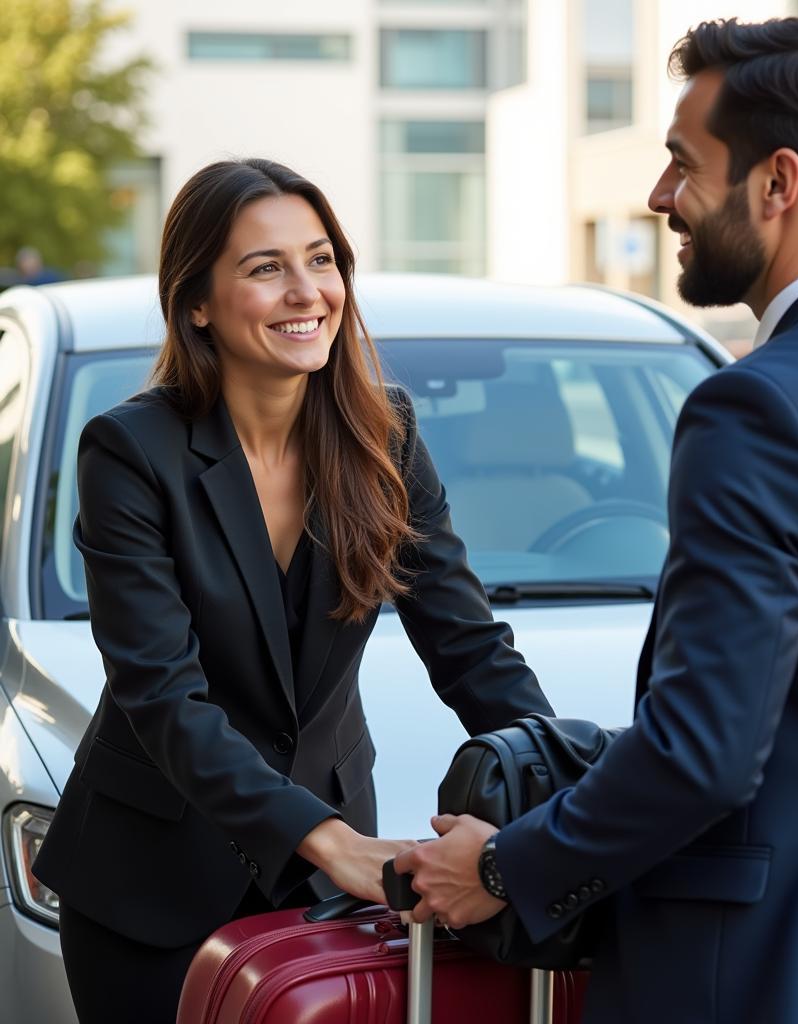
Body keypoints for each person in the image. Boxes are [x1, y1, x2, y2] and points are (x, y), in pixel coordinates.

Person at [396, 15, 798, 1023]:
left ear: (778, 185)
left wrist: (506, 865)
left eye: (682, 165)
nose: (659, 199)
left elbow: (706, 750)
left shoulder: (756, 406)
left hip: (775, 968)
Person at [32, 157, 553, 1024]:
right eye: (265, 267)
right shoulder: (128, 452)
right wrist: (336, 844)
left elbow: (466, 643)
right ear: (196, 301)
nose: (306, 291)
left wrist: (556, 796)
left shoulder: (385, 431)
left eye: (321, 260)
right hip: (153, 886)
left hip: (328, 889)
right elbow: (161, 694)